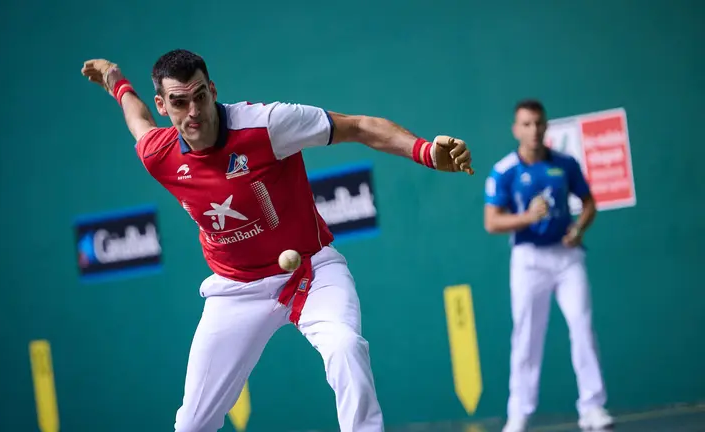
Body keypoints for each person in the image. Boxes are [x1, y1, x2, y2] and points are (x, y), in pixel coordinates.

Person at [81, 49, 474, 432]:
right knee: (193, 423)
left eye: (200, 96)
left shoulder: (267, 124)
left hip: (312, 269)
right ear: (164, 105)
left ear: (213, 90)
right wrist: (116, 80)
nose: (194, 111)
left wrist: (423, 151)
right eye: (180, 102)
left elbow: (359, 126)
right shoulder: (160, 155)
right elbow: (138, 120)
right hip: (235, 289)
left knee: (344, 345)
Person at [483, 99, 614, 432]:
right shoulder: (504, 170)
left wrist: (578, 228)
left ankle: (592, 408)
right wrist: (529, 217)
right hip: (528, 260)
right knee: (526, 336)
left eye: (539, 123)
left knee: (583, 327)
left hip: (567, 258)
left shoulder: (566, 164)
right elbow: (491, 222)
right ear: (516, 129)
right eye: (526, 124)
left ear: (546, 126)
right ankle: (519, 414)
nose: (534, 130)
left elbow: (588, 204)